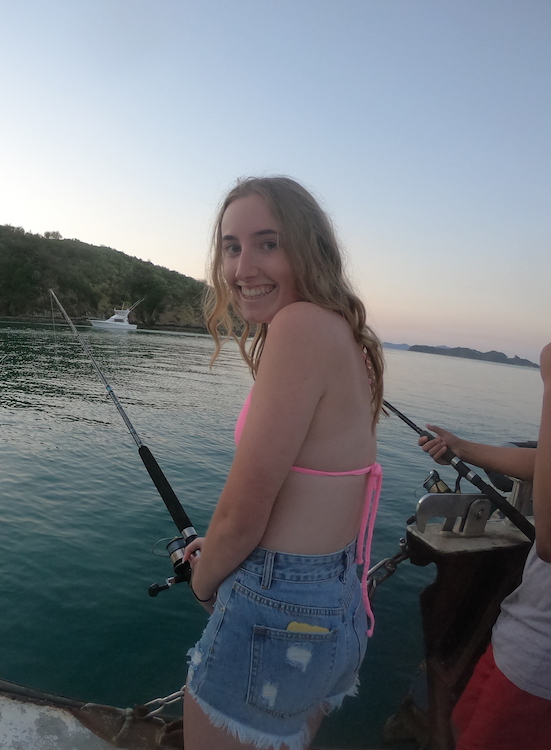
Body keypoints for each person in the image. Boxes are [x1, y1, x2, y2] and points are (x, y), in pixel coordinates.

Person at [182, 176, 386, 750]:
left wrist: (205, 580)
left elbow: (246, 508)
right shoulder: (342, 334)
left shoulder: (297, 328)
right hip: (335, 602)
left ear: (308, 249)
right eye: (231, 246)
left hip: (278, 603)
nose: (244, 266)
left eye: (268, 243)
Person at [418, 261, 551, 749]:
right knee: (462, 726)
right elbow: (549, 461)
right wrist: (461, 446)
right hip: (526, 627)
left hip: (550, 664)